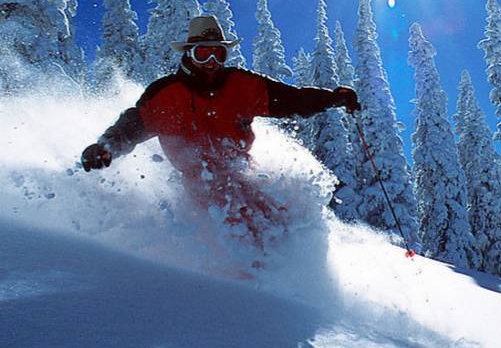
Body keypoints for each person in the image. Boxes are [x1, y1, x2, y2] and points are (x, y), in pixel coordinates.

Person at [81, 15, 360, 224]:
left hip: (243, 172)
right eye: (203, 53)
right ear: (189, 54)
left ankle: (291, 279)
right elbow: (131, 127)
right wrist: (106, 147)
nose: (212, 60)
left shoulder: (241, 85)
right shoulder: (168, 95)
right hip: (199, 184)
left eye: (219, 52)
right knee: (233, 223)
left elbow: (293, 99)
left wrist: (333, 98)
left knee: (279, 221)